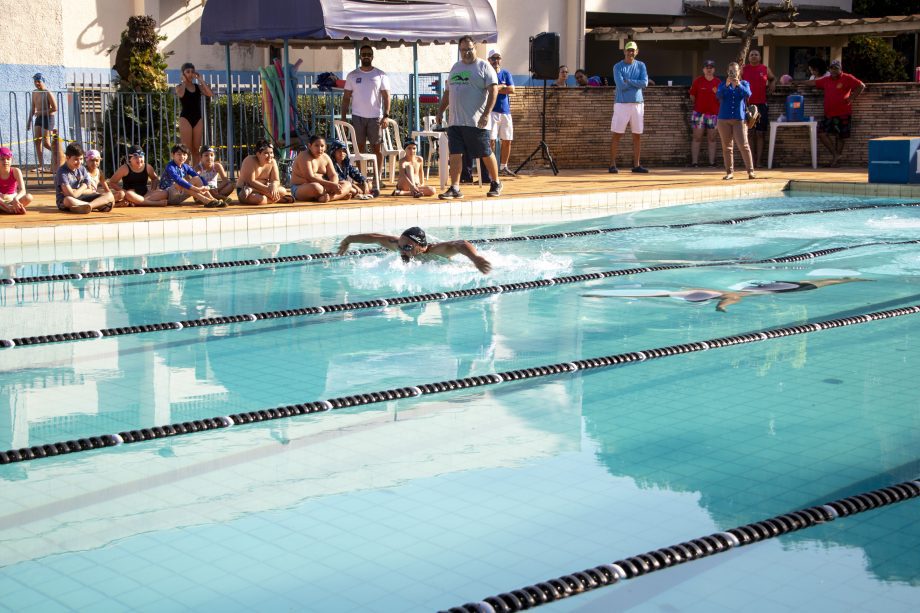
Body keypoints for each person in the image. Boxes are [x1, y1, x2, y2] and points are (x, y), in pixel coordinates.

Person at [436, 35, 503, 199]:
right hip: (455, 121)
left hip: (476, 121)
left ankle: (496, 182)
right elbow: (447, 92)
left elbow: (493, 91)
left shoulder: (484, 66)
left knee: (485, 152)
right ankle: (455, 187)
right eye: (463, 50)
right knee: (455, 154)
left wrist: (487, 114)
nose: (466, 53)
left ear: (475, 48)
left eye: (470, 49)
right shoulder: (455, 67)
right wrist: (440, 111)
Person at [584, 278, 867, 312]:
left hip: (703, 290)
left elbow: (817, 282)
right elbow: (731, 298)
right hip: (706, 294)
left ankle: (602, 296)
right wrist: (723, 308)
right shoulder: (744, 294)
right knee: (660, 295)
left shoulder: (752, 287)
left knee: (661, 294)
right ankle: (602, 297)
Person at [341, 44, 390, 193]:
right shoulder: (352, 75)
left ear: (372, 56)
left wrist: (386, 115)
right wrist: (343, 118)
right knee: (359, 149)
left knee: (377, 149)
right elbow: (346, 98)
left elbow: (386, 96)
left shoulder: (381, 75)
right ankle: (362, 179)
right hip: (357, 117)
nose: (366, 56)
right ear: (360, 56)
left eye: (369, 54)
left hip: (375, 118)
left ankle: (377, 178)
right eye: (364, 54)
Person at [797, 60, 866, 167]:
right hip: (829, 113)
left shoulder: (847, 78)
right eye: (832, 68)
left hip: (843, 112)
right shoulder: (826, 80)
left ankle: (835, 160)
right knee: (821, 133)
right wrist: (798, 82)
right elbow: (813, 83)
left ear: (840, 69)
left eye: (836, 68)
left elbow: (861, 85)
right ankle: (836, 155)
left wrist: (852, 98)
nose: (833, 70)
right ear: (829, 69)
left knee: (840, 137)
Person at [337, 226, 492, 274]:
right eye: (400, 246)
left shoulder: (434, 251)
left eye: (407, 247)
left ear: (421, 247)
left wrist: (475, 258)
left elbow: (460, 243)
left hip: (455, 269)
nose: (402, 250)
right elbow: (375, 237)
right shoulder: (399, 245)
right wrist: (348, 239)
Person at [609, 41, 649, 174]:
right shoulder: (618, 66)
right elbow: (620, 86)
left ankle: (637, 165)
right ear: (624, 51)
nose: (630, 52)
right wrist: (634, 83)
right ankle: (612, 164)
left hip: (638, 104)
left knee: (637, 135)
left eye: (633, 50)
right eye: (628, 50)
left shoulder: (641, 65)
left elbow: (644, 83)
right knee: (617, 134)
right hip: (621, 104)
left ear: (637, 52)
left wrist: (629, 81)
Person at [715, 62, 756, 181]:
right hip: (723, 119)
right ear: (728, 72)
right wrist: (727, 85)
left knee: (744, 145)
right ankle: (729, 172)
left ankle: (751, 171)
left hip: (739, 119)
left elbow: (748, 94)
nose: (733, 73)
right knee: (727, 147)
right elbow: (718, 95)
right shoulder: (723, 84)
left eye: (735, 70)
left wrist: (738, 85)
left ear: (739, 72)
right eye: (731, 71)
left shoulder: (744, 83)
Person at [54, 142, 116, 214]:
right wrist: (84, 185)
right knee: (68, 200)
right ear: (67, 158)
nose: (79, 162)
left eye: (81, 159)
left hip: (84, 198)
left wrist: (76, 190)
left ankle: (88, 206)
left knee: (109, 195)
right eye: (76, 159)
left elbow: (90, 190)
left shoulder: (82, 169)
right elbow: (71, 195)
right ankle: (96, 205)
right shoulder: (62, 172)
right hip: (67, 201)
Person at [741, 49, 776, 168]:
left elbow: (773, 78)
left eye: (756, 54)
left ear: (760, 57)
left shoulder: (765, 69)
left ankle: (759, 160)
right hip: (747, 105)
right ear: (748, 57)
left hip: (761, 105)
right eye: (751, 55)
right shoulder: (743, 69)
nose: (754, 56)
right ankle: (751, 160)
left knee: (760, 133)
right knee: (750, 133)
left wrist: (772, 84)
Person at [291, 135, 351, 203]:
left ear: (325, 147)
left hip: (323, 186)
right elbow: (310, 177)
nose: (319, 149)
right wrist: (332, 185)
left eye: (322, 146)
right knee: (316, 187)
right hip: (301, 187)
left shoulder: (325, 157)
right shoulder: (303, 156)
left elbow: (333, 175)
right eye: (316, 145)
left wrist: (334, 184)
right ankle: (339, 196)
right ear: (309, 146)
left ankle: (329, 198)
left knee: (347, 184)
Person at [176, 62, 213, 167]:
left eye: (192, 71)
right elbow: (181, 94)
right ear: (183, 73)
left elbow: (210, 93)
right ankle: (185, 174)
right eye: (187, 72)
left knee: (196, 149)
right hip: (185, 118)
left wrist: (200, 79)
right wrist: (183, 81)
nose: (190, 74)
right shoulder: (179, 86)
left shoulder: (198, 87)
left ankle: (195, 173)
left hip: (197, 118)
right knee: (186, 149)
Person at [236, 140, 293, 205]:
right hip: (244, 190)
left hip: (256, 189)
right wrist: (268, 189)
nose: (270, 156)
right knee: (258, 199)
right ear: (258, 154)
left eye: (271, 153)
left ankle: (258, 192)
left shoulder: (272, 162)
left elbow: (276, 180)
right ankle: (277, 199)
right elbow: (250, 182)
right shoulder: (250, 160)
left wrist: (274, 186)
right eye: (266, 153)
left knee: (283, 191)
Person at [487, 48, 516, 177]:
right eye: (493, 58)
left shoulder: (506, 73)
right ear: (489, 60)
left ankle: (504, 167)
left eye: (498, 58)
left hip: (505, 112)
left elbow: (512, 89)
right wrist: (502, 87)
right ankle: (490, 169)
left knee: (507, 140)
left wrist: (496, 88)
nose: (496, 61)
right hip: (491, 112)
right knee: (491, 140)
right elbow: (487, 90)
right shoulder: (487, 73)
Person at [688, 59, 721, 167]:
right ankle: (694, 162)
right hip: (699, 114)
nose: (709, 70)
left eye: (711, 68)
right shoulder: (697, 81)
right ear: (703, 69)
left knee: (712, 139)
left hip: (714, 114)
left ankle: (712, 163)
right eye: (707, 67)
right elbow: (692, 96)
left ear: (714, 69)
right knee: (696, 138)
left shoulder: (718, 82)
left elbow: (722, 98)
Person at [27, 73, 58, 174]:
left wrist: (41, 112)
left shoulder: (47, 92)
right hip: (39, 118)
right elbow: (32, 108)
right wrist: (29, 121)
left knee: (46, 143)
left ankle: (59, 155)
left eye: (39, 81)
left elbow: (55, 108)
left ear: (43, 81)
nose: (36, 83)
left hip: (48, 118)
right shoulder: (34, 92)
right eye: (35, 81)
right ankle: (41, 166)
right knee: (37, 141)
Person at [0, 147, 33, 215]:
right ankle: (10, 209)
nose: (5, 161)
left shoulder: (16, 171)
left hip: (12, 199)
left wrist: (16, 199)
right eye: (2, 159)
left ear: (11, 160)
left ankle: (8, 209)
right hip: (1, 200)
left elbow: (23, 190)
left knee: (29, 197)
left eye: (8, 159)